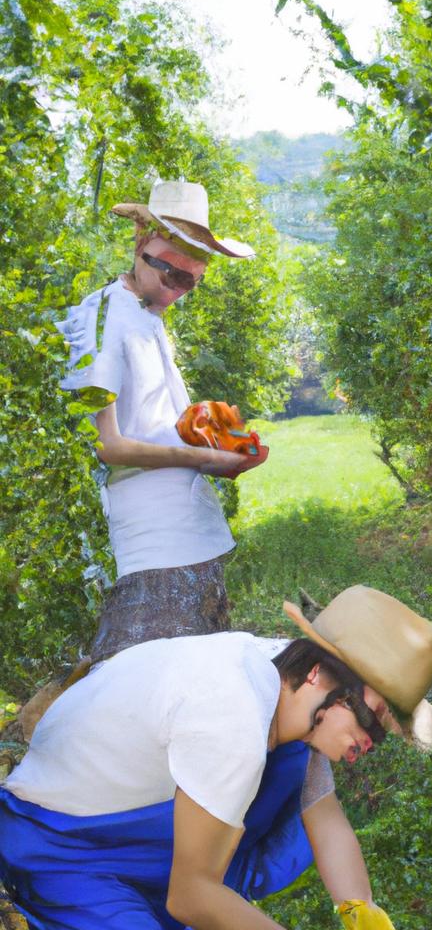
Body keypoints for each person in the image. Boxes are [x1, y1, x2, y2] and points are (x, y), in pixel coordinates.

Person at [0, 585, 432, 930]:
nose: (373, 738)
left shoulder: (284, 675)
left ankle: (181, 899)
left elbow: (324, 815)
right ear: (320, 673)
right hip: (60, 849)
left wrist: (366, 918)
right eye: (375, 715)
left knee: (295, 760)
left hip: (137, 827)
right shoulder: (231, 714)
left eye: (385, 730)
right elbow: (190, 897)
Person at [57, 180, 264, 665]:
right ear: (141, 241)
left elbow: (151, 421)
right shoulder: (100, 318)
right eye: (170, 272)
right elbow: (107, 445)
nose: (177, 290)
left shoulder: (147, 314)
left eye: (190, 281)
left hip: (190, 533)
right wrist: (202, 456)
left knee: (197, 670)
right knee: (148, 672)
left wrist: (217, 439)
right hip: (152, 543)